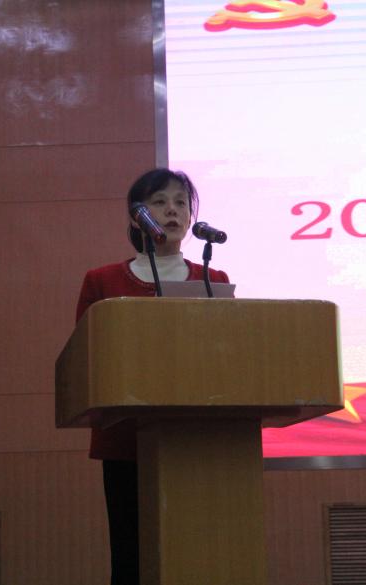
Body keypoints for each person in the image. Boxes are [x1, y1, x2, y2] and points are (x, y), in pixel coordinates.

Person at [74, 168, 230, 585]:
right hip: (126, 439)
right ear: (137, 215)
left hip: (199, 438)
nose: (172, 210)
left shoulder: (213, 280)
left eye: (181, 202)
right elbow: (86, 357)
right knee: (132, 556)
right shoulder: (102, 281)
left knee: (198, 554)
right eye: (160, 202)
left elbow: (227, 357)